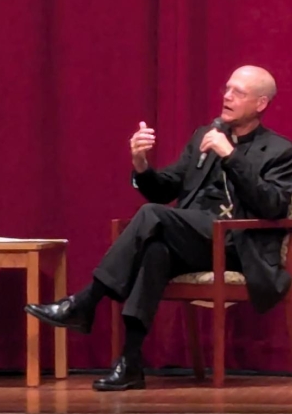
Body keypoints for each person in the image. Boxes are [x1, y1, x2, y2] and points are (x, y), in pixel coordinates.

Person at [25, 65, 292, 391]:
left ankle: (85, 302)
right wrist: (141, 165)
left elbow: (274, 206)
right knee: (155, 251)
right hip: (197, 240)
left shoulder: (280, 151)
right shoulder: (203, 137)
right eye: (227, 89)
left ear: (261, 104)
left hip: (239, 245)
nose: (227, 97)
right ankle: (131, 362)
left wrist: (231, 156)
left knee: (152, 216)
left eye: (238, 92)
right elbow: (165, 189)